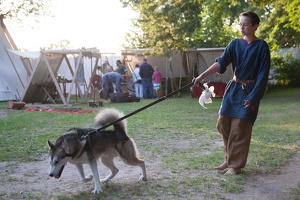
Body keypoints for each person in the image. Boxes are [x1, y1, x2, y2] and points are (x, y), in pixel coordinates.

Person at [194, 11, 270, 175]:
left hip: (250, 90)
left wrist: (253, 98)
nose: (242, 27)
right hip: (234, 88)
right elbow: (221, 63)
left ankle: (235, 165)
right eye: (240, 23)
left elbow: (263, 75)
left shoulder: (262, 46)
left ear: (255, 26)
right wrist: (202, 76)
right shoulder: (235, 44)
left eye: (246, 24)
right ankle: (229, 158)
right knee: (223, 123)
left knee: (240, 126)